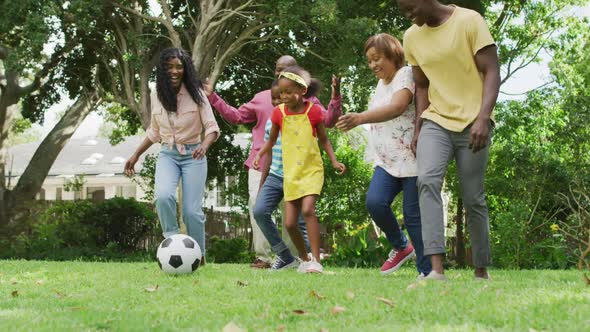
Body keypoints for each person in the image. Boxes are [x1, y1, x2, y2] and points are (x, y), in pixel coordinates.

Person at [203, 56, 342, 268]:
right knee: (258, 209)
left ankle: (304, 259)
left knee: (295, 218)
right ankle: (267, 256)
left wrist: (336, 97)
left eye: (286, 70)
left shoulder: (309, 104)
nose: (281, 74)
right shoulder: (262, 99)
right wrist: (213, 97)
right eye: (278, 70)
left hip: (299, 169)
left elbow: (327, 124)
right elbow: (237, 116)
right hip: (266, 165)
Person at [397, 0, 500, 280]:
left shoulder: (469, 21)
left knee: (472, 196)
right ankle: (436, 270)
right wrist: (418, 127)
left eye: (411, 8)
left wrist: (483, 117)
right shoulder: (411, 37)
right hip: (436, 120)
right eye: (403, 11)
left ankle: (481, 270)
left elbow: (492, 70)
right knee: (427, 181)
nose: (408, 15)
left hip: (473, 122)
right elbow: (422, 85)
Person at [336, 33, 431, 278]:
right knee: (375, 202)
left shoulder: (406, 74)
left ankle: (426, 270)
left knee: (413, 216)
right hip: (387, 161)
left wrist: (360, 118)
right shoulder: (381, 83)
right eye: (369, 61)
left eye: (377, 58)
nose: (373, 65)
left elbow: (398, 106)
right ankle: (401, 246)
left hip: (411, 159)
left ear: (393, 55)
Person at [124, 48, 220, 264]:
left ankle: (199, 254)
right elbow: (154, 132)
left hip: (194, 155)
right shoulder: (156, 94)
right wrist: (135, 155)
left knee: (191, 211)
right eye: (169, 67)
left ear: (186, 69)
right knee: (163, 197)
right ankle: (173, 241)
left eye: (179, 67)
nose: (174, 71)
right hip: (168, 154)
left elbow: (212, 127)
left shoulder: (197, 94)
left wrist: (204, 145)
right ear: (162, 70)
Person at [253, 66, 346, 274]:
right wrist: (259, 154)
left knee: (308, 210)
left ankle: (316, 261)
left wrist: (334, 161)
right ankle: (303, 260)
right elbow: (271, 141)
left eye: (288, 92)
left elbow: (324, 139)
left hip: (311, 170)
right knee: (290, 222)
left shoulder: (313, 112)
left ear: (303, 91)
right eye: (281, 93)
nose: (284, 97)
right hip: (290, 174)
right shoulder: (279, 113)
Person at [253, 79, 311, 271]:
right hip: (276, 176)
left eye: (282, 96)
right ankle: (284, 255)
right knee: (260, 211)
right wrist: (263, 182)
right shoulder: (272, 121)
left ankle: (308, 260)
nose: (278, 101)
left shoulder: (302, 118)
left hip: (296, 177)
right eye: (274, 98)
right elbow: (269, 153)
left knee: (299, 222)